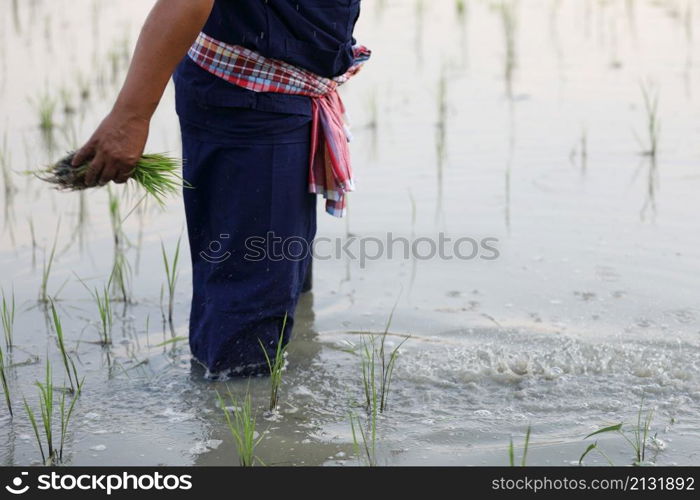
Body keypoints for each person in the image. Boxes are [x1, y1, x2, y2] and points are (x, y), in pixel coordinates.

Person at [72, 0, 368, 378]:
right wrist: (131, 116)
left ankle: (270, 406)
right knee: (248, 319)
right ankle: (236, 424)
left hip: (285, 91)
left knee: (282, 283)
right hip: (251, 99)